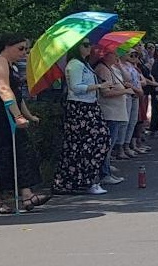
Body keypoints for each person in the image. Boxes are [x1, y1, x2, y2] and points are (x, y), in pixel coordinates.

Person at [0, 33, 50, 213]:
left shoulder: (10, 65)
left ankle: (27, 195)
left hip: (10, 113)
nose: (24, 53)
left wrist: (28, 115)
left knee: (22, 152)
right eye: (20, 48)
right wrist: (17, 116)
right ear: (7, 46)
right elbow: (4, 89)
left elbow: (17, 95)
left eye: (26, 49)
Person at [52, 39, 111, 195]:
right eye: (85, 45)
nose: (89, 47)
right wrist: (99, 86)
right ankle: (85, 180)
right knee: (85, 145)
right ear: (76, 47)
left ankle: (88, 179)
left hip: (90, 105)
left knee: (96, 141)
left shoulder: (84, 64)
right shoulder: (75, 65)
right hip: (80, 108)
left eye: (89, 44)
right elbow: (76, 87)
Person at [94, 48, 132, 184]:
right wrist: (124, 91)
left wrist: (120, 65)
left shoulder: (111, 68)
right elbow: (106, 92)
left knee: (110, 142)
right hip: (109, 111)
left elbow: (126, 79)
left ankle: (107, 169)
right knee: (107, 143)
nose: (117, 56)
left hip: (116, 111)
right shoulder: (103, 69)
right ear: (106, 55)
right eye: (114, 54)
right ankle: (104, 173)